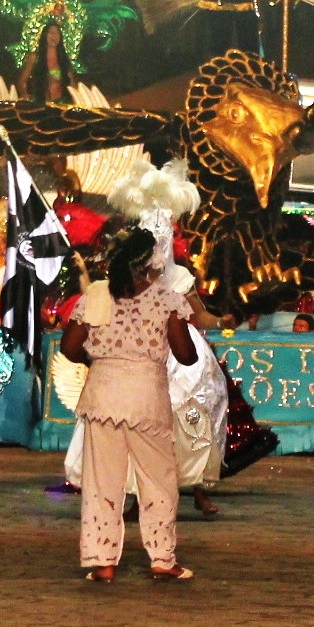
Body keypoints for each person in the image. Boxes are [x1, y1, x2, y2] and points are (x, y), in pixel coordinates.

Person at [60, 227, 198, 582]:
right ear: (152, 262)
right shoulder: (165, 300)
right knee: (159, 479)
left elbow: (69, 348)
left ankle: (103, 561)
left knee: (101, 481)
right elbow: (186, 356)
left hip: (103, 393)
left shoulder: (96, 295)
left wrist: (101, 360)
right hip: (145, 398)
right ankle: (162, 559)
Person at [17, 23, 77, 105]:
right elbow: (22, 81)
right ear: (45, 36)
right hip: (41, 103)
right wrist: (26, 97)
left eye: (57, 33)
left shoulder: (64, 59)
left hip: (62, 103)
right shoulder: (35, 57)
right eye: (51, 32)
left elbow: (72, 85)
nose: (54, 36)